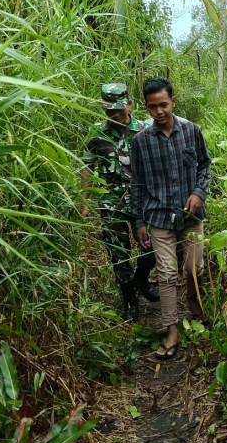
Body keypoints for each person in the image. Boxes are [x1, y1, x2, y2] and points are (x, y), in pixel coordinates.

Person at [130, 77, 211, 360]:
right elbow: (137, 184)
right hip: (159, 216)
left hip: (190, 215)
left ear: (173, 102)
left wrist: (199, 193)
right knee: (165, 274)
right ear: (146, 107)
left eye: (163, 105)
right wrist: (139, 222)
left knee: (193, 269)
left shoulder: (192, 131)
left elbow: (204, 165)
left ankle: (196, 309)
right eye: (152, 107)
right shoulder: (141, 142)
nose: (159, 111)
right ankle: (172, 330)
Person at [81, 83, 159, 322]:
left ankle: (141, 280)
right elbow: (87, 167)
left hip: (142, 200)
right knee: (118, 253)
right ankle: (130, 301)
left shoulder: (145, 130)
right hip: (110, 201)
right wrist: (85, 202)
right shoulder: (96, 134)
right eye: (109, 109)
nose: (114, 114)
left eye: (119, 109)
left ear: (130, 105)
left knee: (151, 246)